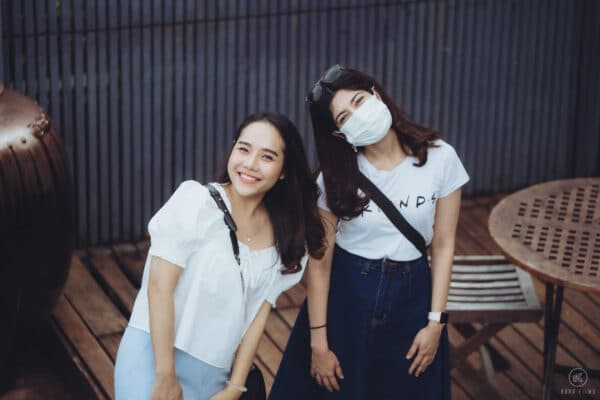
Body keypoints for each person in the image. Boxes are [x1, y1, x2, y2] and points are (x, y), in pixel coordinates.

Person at [270, 65, 470, 400]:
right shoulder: (332, 179)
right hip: (349, 295)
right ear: (339, 134)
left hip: (413, 294)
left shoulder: (440, 157)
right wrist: (318, 344)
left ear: (377, 95)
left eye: (360, 102)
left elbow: (445, 244)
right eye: (344, 118)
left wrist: (436, 322)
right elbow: (320, 264)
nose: (358, 116)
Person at [114, 111, 325, 400]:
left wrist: (234, 388)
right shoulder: (195, 203)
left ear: (284, 171)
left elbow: (257, 316)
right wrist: (165, 375)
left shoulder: (284, 238)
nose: (249, 164)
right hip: (154, 357)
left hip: (214, 373)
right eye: (244, 149)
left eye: (267, 157)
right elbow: (159, 288)